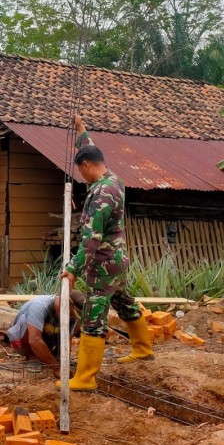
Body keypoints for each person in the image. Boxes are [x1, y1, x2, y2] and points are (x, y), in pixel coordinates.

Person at [60, 115, 154, 391]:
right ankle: (142, 349)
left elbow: (91, 239)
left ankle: (85, 378)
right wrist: (81, 130)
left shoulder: (102, 194)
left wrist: (73, 269)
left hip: (103, 264)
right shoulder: (114, 179)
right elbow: (90, 148)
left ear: (87, 166)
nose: (81, 176)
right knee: (125, 303)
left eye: (81, 171)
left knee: (94, 316)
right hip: (119, 261)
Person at [5, 292, 86, 377]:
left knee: (73, 322)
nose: (71, 316)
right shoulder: (39, 305)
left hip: (47, 342)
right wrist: (56, 368)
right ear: (63, 303)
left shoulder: (70, 315)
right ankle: (33, 356)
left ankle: (55, 356)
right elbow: (35, 340)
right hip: (21, 344)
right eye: (71, 313)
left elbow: (67, 338)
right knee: (31, 325)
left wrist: (64, 361)